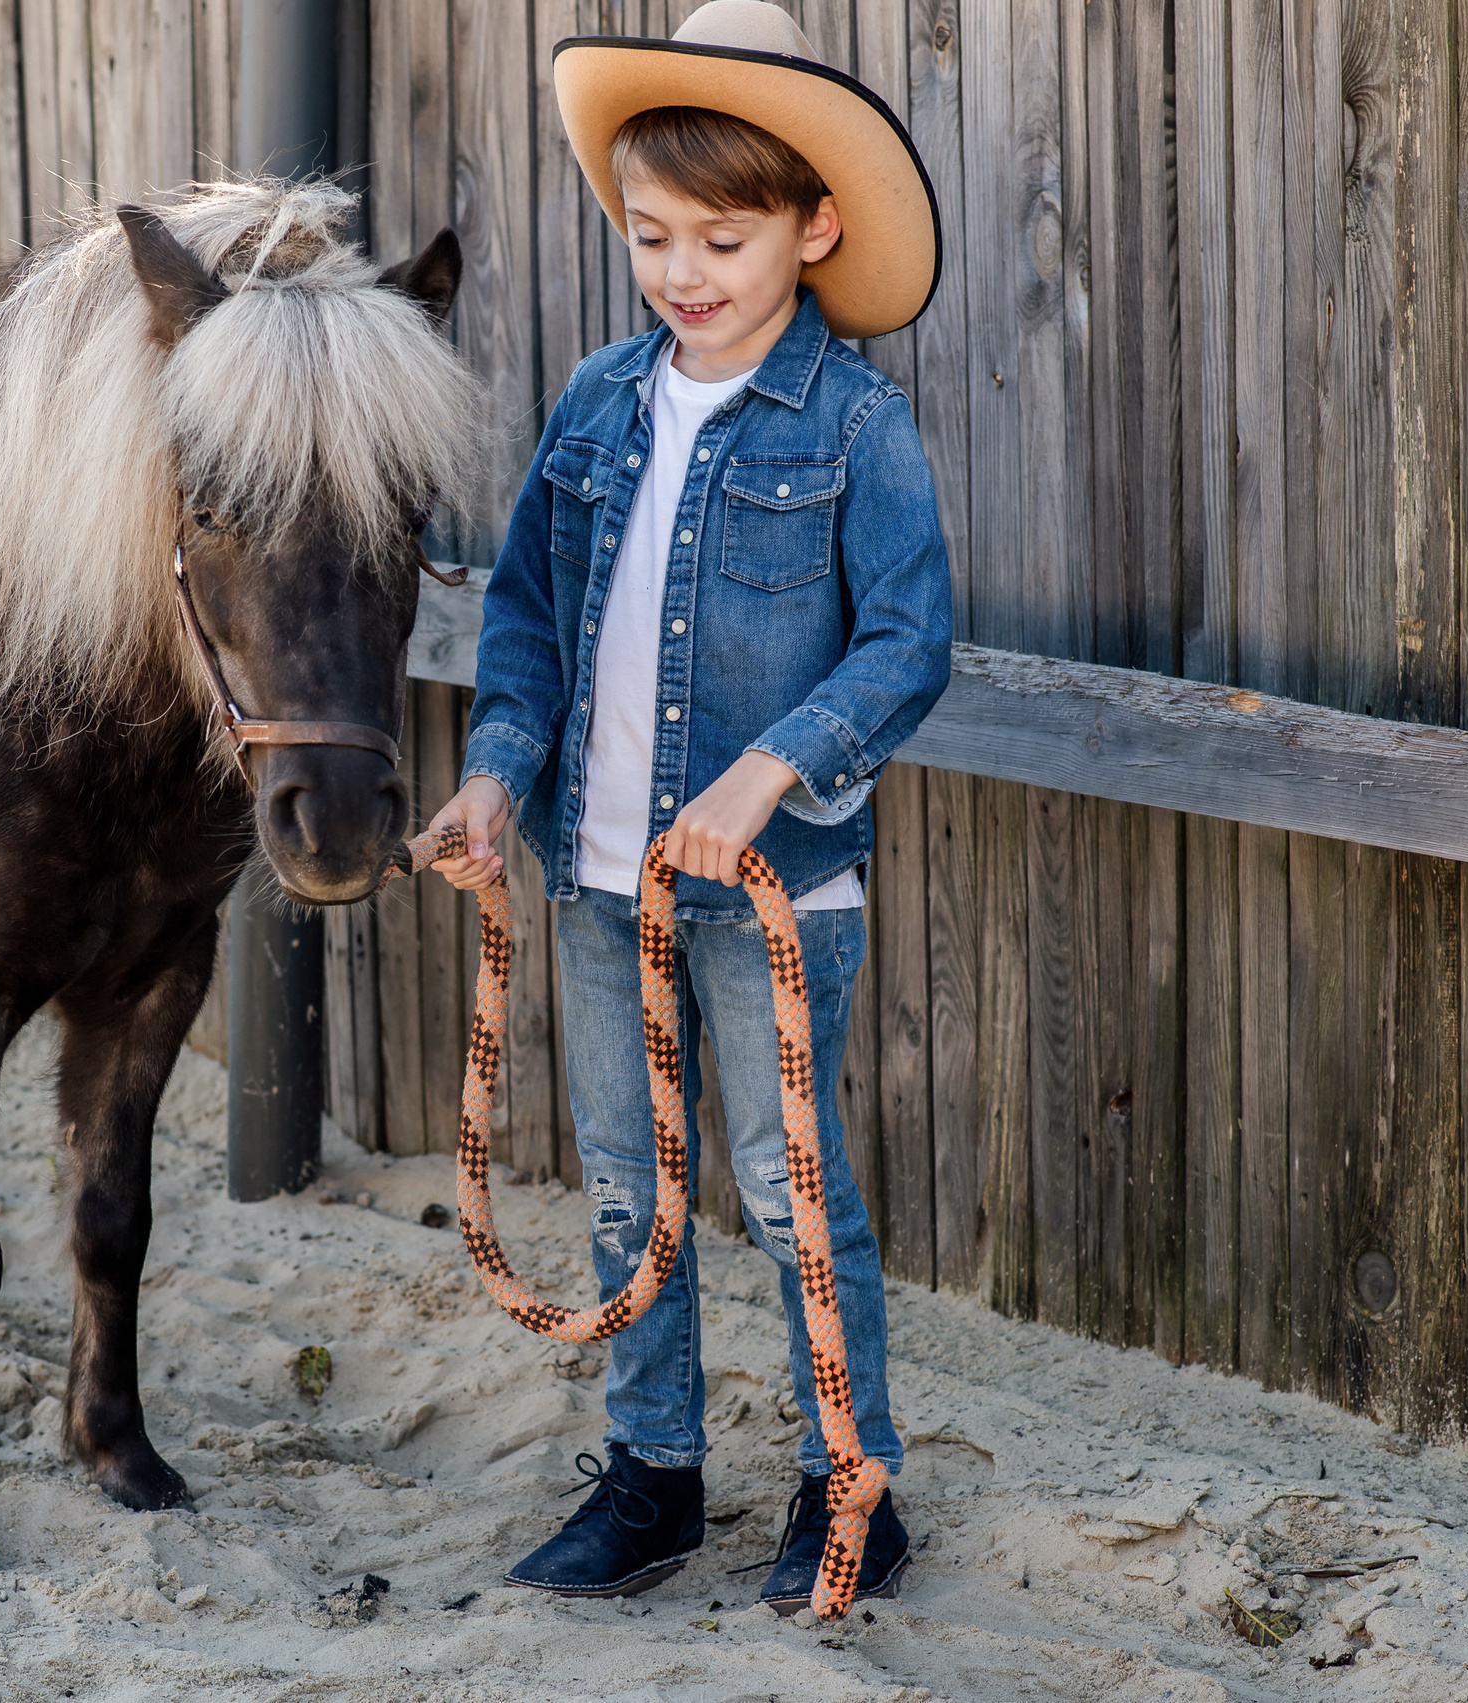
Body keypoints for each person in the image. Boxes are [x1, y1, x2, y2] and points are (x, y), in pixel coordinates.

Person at [426, 1, 953, 1613]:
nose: (684, 271)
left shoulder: (856, 425)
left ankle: (848, 1484)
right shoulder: (597, 404)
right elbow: (523, 617)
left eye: (723, 236)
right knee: (619, 1180)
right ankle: (651, 1478)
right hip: (593, 884)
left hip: (776, 890)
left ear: (815, 228)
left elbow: (910, 640)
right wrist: (494, 774)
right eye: (653, 235)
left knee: (793, 1196)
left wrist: (769, 766)